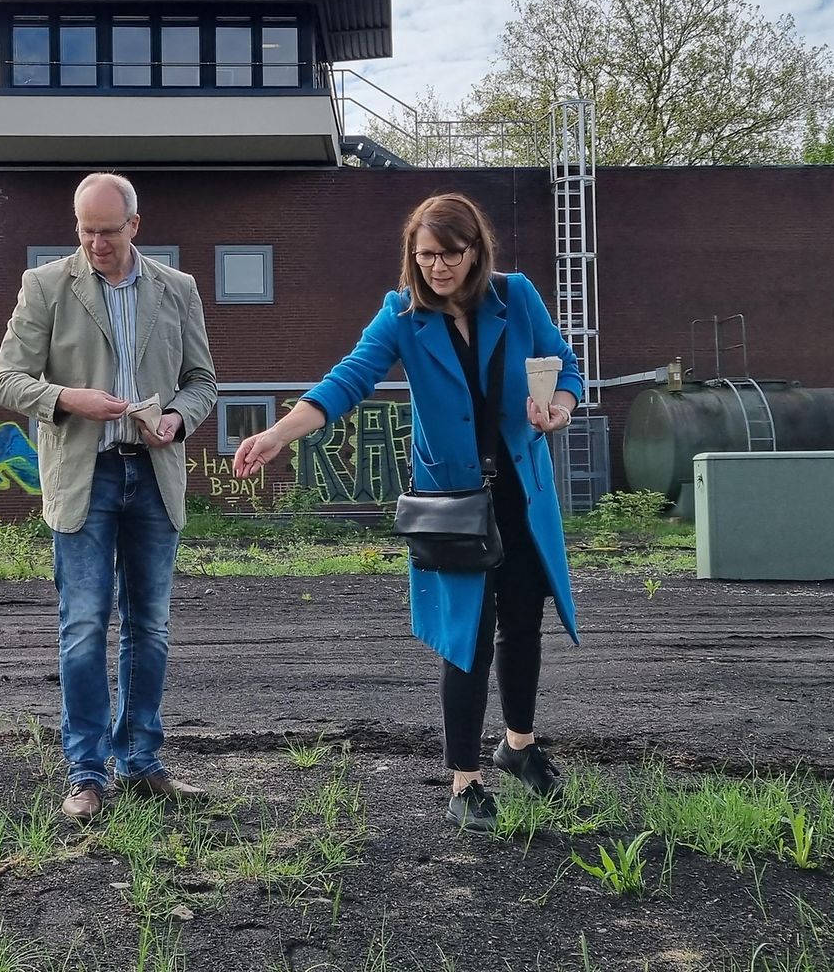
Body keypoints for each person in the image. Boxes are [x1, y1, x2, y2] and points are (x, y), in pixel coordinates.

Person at [232, 192, 583, 833]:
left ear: (475, 250)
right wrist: (280, 433)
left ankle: (520, 749)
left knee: (524, 623)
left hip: (522, 493)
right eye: (425, 256)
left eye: (449, 255)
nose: (437, 268)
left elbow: (567, 365)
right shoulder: (401, 314)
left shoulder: (516, 296)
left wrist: (557, 405)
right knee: (465, 637)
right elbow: (348, 380)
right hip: (453, 503)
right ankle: (465, 781)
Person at [0, 172, 218, 820]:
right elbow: (4, 380)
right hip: (83, 478)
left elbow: (202, 381)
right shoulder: (46, 287)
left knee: (151, 628)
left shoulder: (179, 291)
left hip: (153, 475)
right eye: (85, 231)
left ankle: (142, 763)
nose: (95, 244)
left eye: (108, 232)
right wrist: (66, 398)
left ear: (135, 227)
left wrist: (177, 419)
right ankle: (87, 774)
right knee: (84, 626)